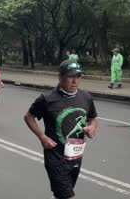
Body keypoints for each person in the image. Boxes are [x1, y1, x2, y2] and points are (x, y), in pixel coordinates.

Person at [24, 59, 98, 199]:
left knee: (61, 194)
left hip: (76, 156)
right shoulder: (47, 99)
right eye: (71, 76)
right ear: (60, 76)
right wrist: (42, 136)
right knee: (67, 196)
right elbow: (29, 117)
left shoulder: (86, 97)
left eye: (78, 76)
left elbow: (93, 118)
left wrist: (92, 127)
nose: (75, 81)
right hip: (56, 158)